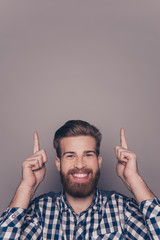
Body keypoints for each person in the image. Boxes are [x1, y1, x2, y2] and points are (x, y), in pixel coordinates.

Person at [0, 120, 160, 239]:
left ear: (99, 161)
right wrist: (27, 187)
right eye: (70, 155)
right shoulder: (39, 212)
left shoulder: (123, 210)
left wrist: (134, 180)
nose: (80, 164)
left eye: (88, 154)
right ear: (58, 163)